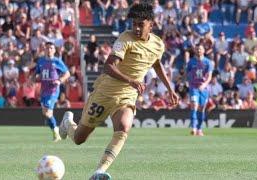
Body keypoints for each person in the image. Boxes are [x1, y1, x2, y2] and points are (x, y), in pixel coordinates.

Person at [59, 3, 179, 180]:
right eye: (134, 24)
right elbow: (108, 66)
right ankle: (68, 123)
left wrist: (170, 89)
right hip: (105, 92)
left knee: (123, 127)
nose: (136, 28)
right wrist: (131, 80)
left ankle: (99, 171)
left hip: (127, 95)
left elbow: (156, 63)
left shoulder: (158, 44)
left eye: (141, 24)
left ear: (151, 25)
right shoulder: (125, 38)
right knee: (79, 138)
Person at [34, 41, 70, 142]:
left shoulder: (57, 61)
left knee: (48, 112)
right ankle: (57, 130)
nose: (49, 50)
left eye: (51, 48)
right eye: (47, 48)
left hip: (53, 90)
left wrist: (59, 80)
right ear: (44, 49)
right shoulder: (41, 61)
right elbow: (36, 74)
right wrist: (35, 78)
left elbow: (67, 73)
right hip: (44, 90)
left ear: (54, 50)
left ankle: (56, 131)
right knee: (45, 113)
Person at [187, 43, 213, 136]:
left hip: (204, 88)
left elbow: (209, 76)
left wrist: (204, 84)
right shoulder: (191, 62)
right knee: (194, 105)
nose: (198, 50)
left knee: (201, 109)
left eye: (200, 49)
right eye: (197, 49)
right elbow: (188, 74)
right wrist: (190, 83)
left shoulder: (208, 62)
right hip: (194, 87)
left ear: (204, 51)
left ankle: (199, 129)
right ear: (195, 50)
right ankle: (193, 128)